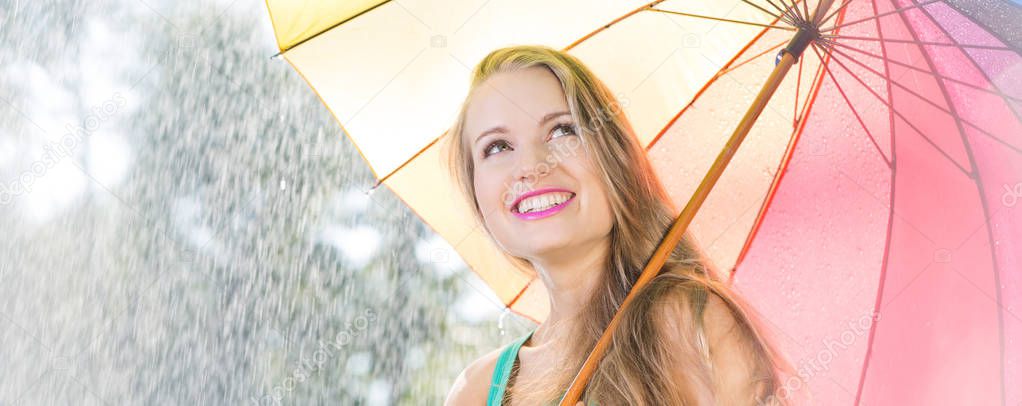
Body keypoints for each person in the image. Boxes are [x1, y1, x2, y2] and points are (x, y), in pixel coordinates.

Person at [442, 44, 798, 405]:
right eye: (498, 147)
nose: (532, 165)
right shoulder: (475, 390)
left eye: (562, 131)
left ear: (616, 158)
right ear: (475, 189)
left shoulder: (689, 322)